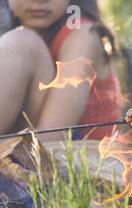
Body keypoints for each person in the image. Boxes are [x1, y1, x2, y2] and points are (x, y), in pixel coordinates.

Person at [0, 0, 123, 141]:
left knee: (22, 42)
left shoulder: (83, 35)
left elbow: (53, 136)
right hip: (29, 150)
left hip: (78, 152)